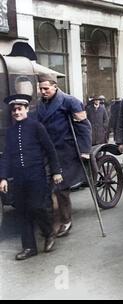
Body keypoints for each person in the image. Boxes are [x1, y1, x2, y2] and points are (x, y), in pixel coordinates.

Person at [0, 94, 63, 260]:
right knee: (22, 211)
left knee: (37, 207)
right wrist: (3, 177)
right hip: (19, 178)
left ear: (27, 109)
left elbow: (50, 150)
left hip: (36, 175)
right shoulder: (11, 132)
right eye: (13, 110)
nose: (16, 112)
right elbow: (6, 156)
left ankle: (49, 232)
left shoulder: (36, 127)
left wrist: (56, 171)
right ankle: (29, 247)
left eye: (19, 109)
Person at [36, 73, 92, 237]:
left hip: (65, 150)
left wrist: (85, 150)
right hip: (47, 151)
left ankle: (65, 221)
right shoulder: (40, 104)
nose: (43, 91)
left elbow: (84, 127)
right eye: (40, 89)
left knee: (61, 188)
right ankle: (53, 220)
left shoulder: (70, 101)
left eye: (46, 88)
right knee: (48, 187)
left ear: (55, 86)